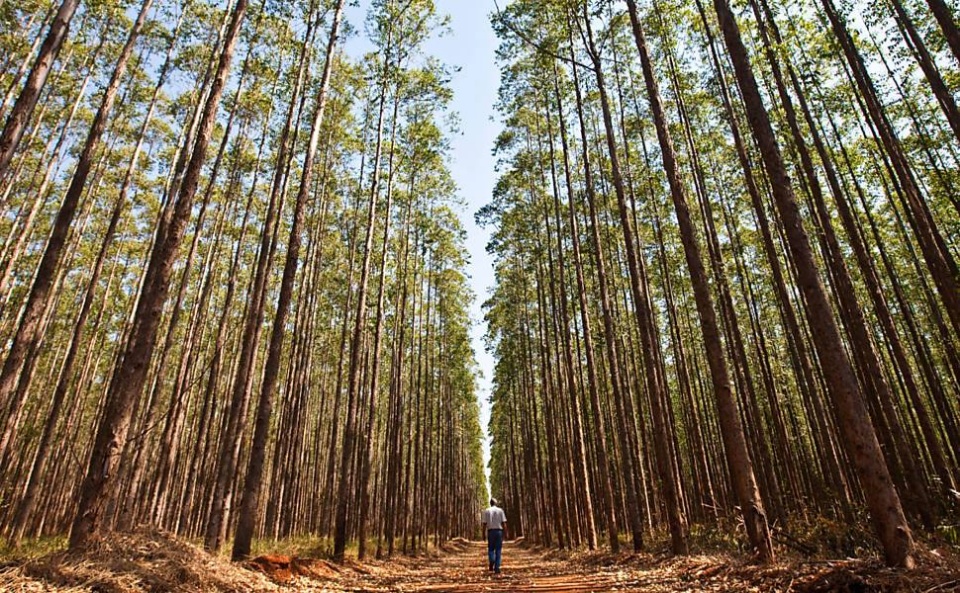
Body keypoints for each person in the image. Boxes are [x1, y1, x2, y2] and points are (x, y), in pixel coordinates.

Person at [481, 498, 507, 573]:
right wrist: (505, 533)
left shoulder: (486, 511)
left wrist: (483, 534)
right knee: (498, 550)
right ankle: (497, 567)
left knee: (491, 548)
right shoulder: (500, 510)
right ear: (495, 503)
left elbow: (484, 524)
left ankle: (492, 560)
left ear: (490, 503)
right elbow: (504, 523)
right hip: (499, 531)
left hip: (490, 532)